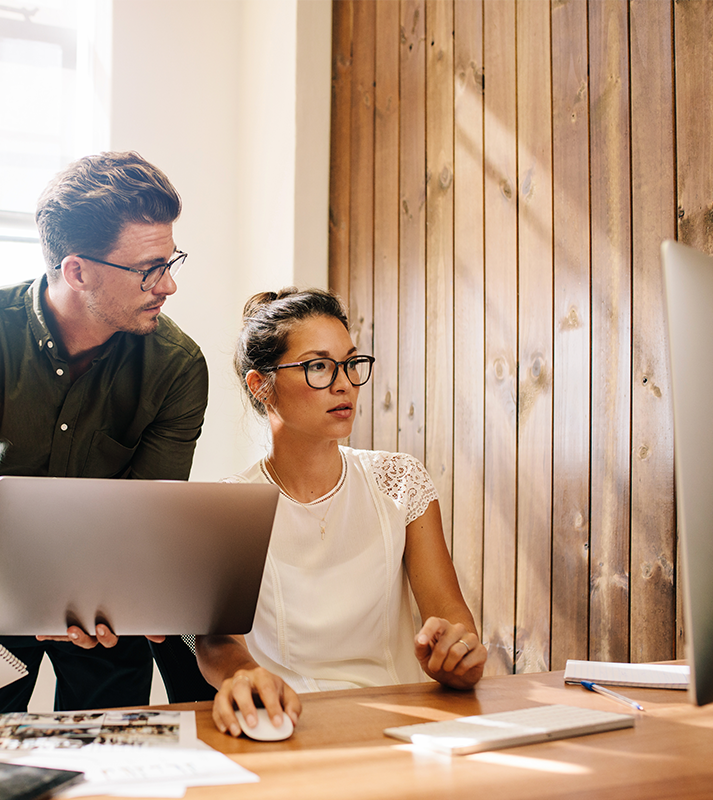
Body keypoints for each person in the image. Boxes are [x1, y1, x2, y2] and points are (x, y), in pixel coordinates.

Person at [195, 288, 487, 736]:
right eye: (318, 366)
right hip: (284, 724)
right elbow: (216, 642)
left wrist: (458, 654)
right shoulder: (228, 506)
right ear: (261, 386)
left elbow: (452, 617)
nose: (344, 383)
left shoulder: (400, 480)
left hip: (401, 724)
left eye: (351, 363)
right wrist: (242, 676)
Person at [0, 151, 211, 711]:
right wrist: (28, 598)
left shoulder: (177, 366)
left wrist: (108, 594)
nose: (168, 286)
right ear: (76, 270)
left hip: (106, 617)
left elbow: (149, 515)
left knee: (116, 770)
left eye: (171, 261)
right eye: (148, 268)